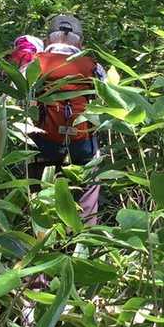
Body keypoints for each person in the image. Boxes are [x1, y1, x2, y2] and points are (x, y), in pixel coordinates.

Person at [26, 13, 106, 220]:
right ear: (80, 42)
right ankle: (84, 230)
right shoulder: (94, 67)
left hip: (44, 143)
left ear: (47, 40)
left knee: (37, 185)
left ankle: (41, 226)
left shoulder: (35, 63)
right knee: (90, 180)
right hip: (81, 145)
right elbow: (105, 102)